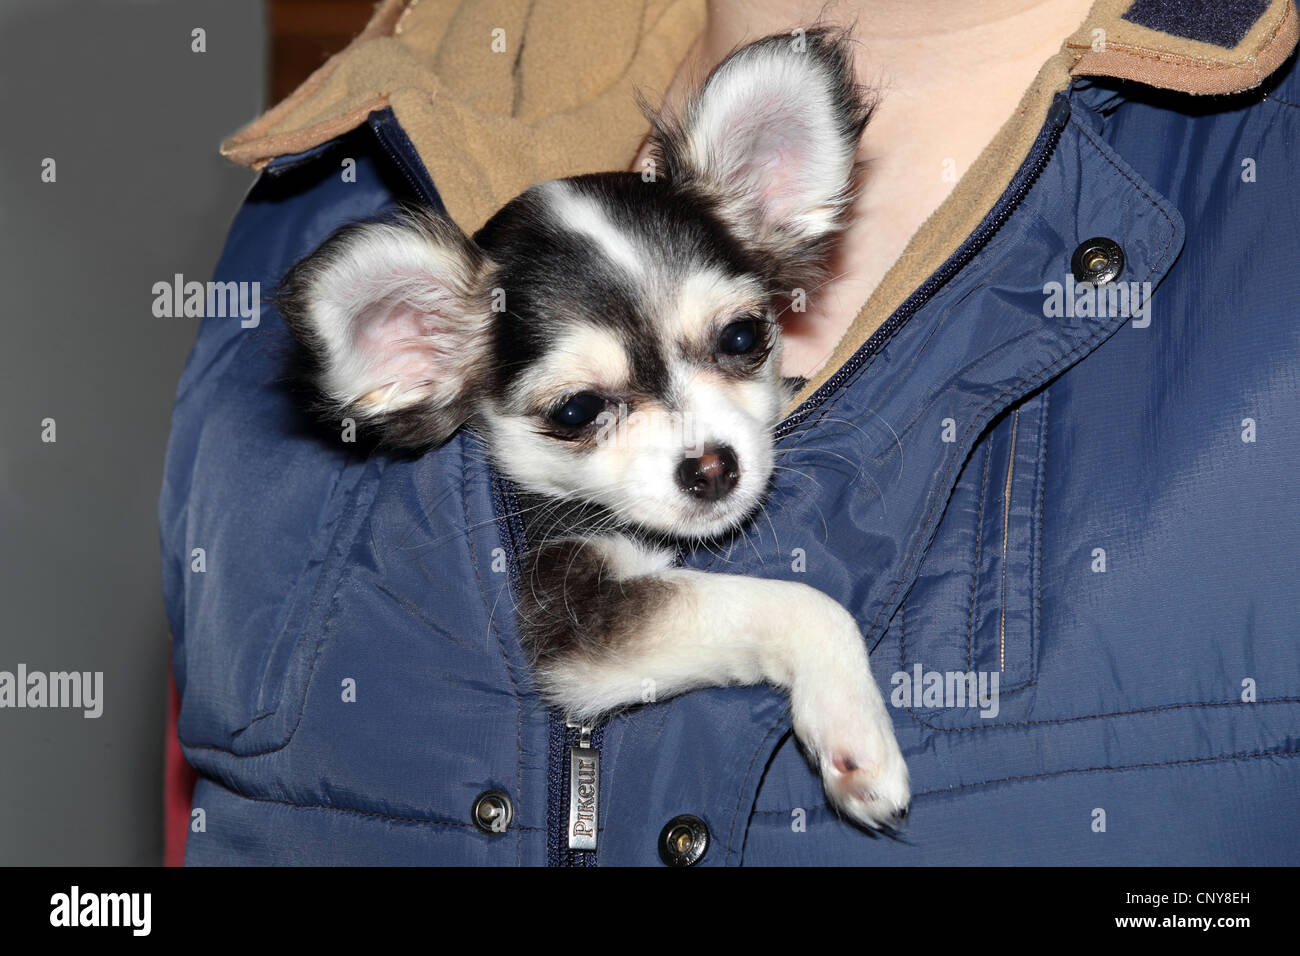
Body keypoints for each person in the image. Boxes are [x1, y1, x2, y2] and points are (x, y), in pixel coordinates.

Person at [162, 0, 1300, 864]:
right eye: (580, 410)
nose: (702, 445)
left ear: (783, 197)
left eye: (739, 344)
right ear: (411, 363)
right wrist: (798, 634)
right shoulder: (322, 182)